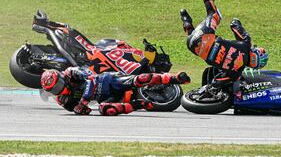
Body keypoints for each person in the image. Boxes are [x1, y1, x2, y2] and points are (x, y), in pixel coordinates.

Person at [180, 0, 268, 89]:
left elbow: (234, 24)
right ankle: (186, 20)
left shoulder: (246, 43)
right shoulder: (236, 73)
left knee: (215, 15)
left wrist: (237, 23)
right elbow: (219, 80)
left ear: (257, 53)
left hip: (203, 37)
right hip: (194, 48)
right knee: (192, 39)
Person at [40, 67, 190, 116]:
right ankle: (139, 105)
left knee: (140, 79)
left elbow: (90, 79)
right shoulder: (62, 100)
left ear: (60, 76)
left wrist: (84, 101)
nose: (60, 88)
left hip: (109, 81)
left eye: (59, 82)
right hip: (106, 96)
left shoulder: (71, 72)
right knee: (106, 109)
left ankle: (174, 79)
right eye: (55, 88)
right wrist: (80, 109)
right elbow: (82, 111)